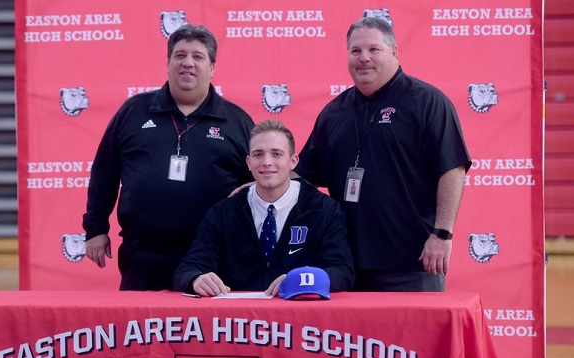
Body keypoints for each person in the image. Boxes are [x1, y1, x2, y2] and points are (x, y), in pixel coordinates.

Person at [294, 17, 472, 292]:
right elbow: (303, 176)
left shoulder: (427, 102)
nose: (364, 58)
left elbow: (452, 169)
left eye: (373, 50)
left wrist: (442, 234)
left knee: (415, 337)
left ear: (394, 52)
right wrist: (256, 188)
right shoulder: (333, 113)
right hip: (346, 267)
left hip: (412, 266)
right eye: (356, 51)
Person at [82, 24, 254, 291]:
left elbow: (258, 185)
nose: (188, 63)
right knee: (141, 330)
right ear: (168, 63)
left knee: (207, 333)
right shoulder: (133, 111)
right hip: (143, 255)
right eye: (180, 55)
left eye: (198, 56)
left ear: (212, 68)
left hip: (213, 255)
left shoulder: (237, 121)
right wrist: (95, 229)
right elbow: (105, 172)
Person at [173, 120, 354, 297]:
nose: (267, 162)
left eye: (276, 154)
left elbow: (342, 271)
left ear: (293, 161)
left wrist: (302, 280)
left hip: (301, 317)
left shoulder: (324, 210)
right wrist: (196, 279)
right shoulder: (223, 213)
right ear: (249, 162)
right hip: (240, 320)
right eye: (258, 154)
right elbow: (188, 268)